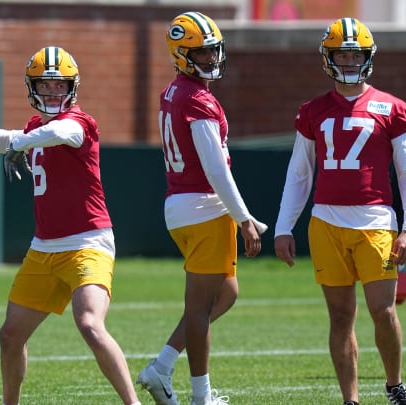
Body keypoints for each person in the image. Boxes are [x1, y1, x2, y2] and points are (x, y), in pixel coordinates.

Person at [0, 46, 142, 405]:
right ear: (32, 88)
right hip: (44, 248)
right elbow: (12, 138)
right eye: (45, 86)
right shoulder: (32, 128)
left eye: (60, 86)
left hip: (87, 242)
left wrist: (20, 142)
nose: (53, 93)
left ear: (72, 88)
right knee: (11, 335)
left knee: (90, 324)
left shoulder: (80, 123)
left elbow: (58, 133)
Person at [274, 17, 406, 405]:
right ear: (328, 57)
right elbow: (299, 173)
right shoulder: (313, 111)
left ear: (368, 57)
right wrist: (283, 227)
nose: (350, 61)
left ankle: (393, 384)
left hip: (375, 222)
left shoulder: (392, 108)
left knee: (383, 310)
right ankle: (350, 399)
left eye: (355, 54)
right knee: (340, 316)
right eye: (342, 53)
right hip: (326, 222)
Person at [136, 12, 267, 405]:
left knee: (226, 294)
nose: (211, 59)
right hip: (204, 207)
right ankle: (201, 396)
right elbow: (215, 170)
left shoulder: (174, 91)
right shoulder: (198, 100)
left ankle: (161, 366)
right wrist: (244, 219)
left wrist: (241, 216)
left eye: (213, 51)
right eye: (202, 53)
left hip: (182, 205)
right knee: (200, 307)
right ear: (181, 54)